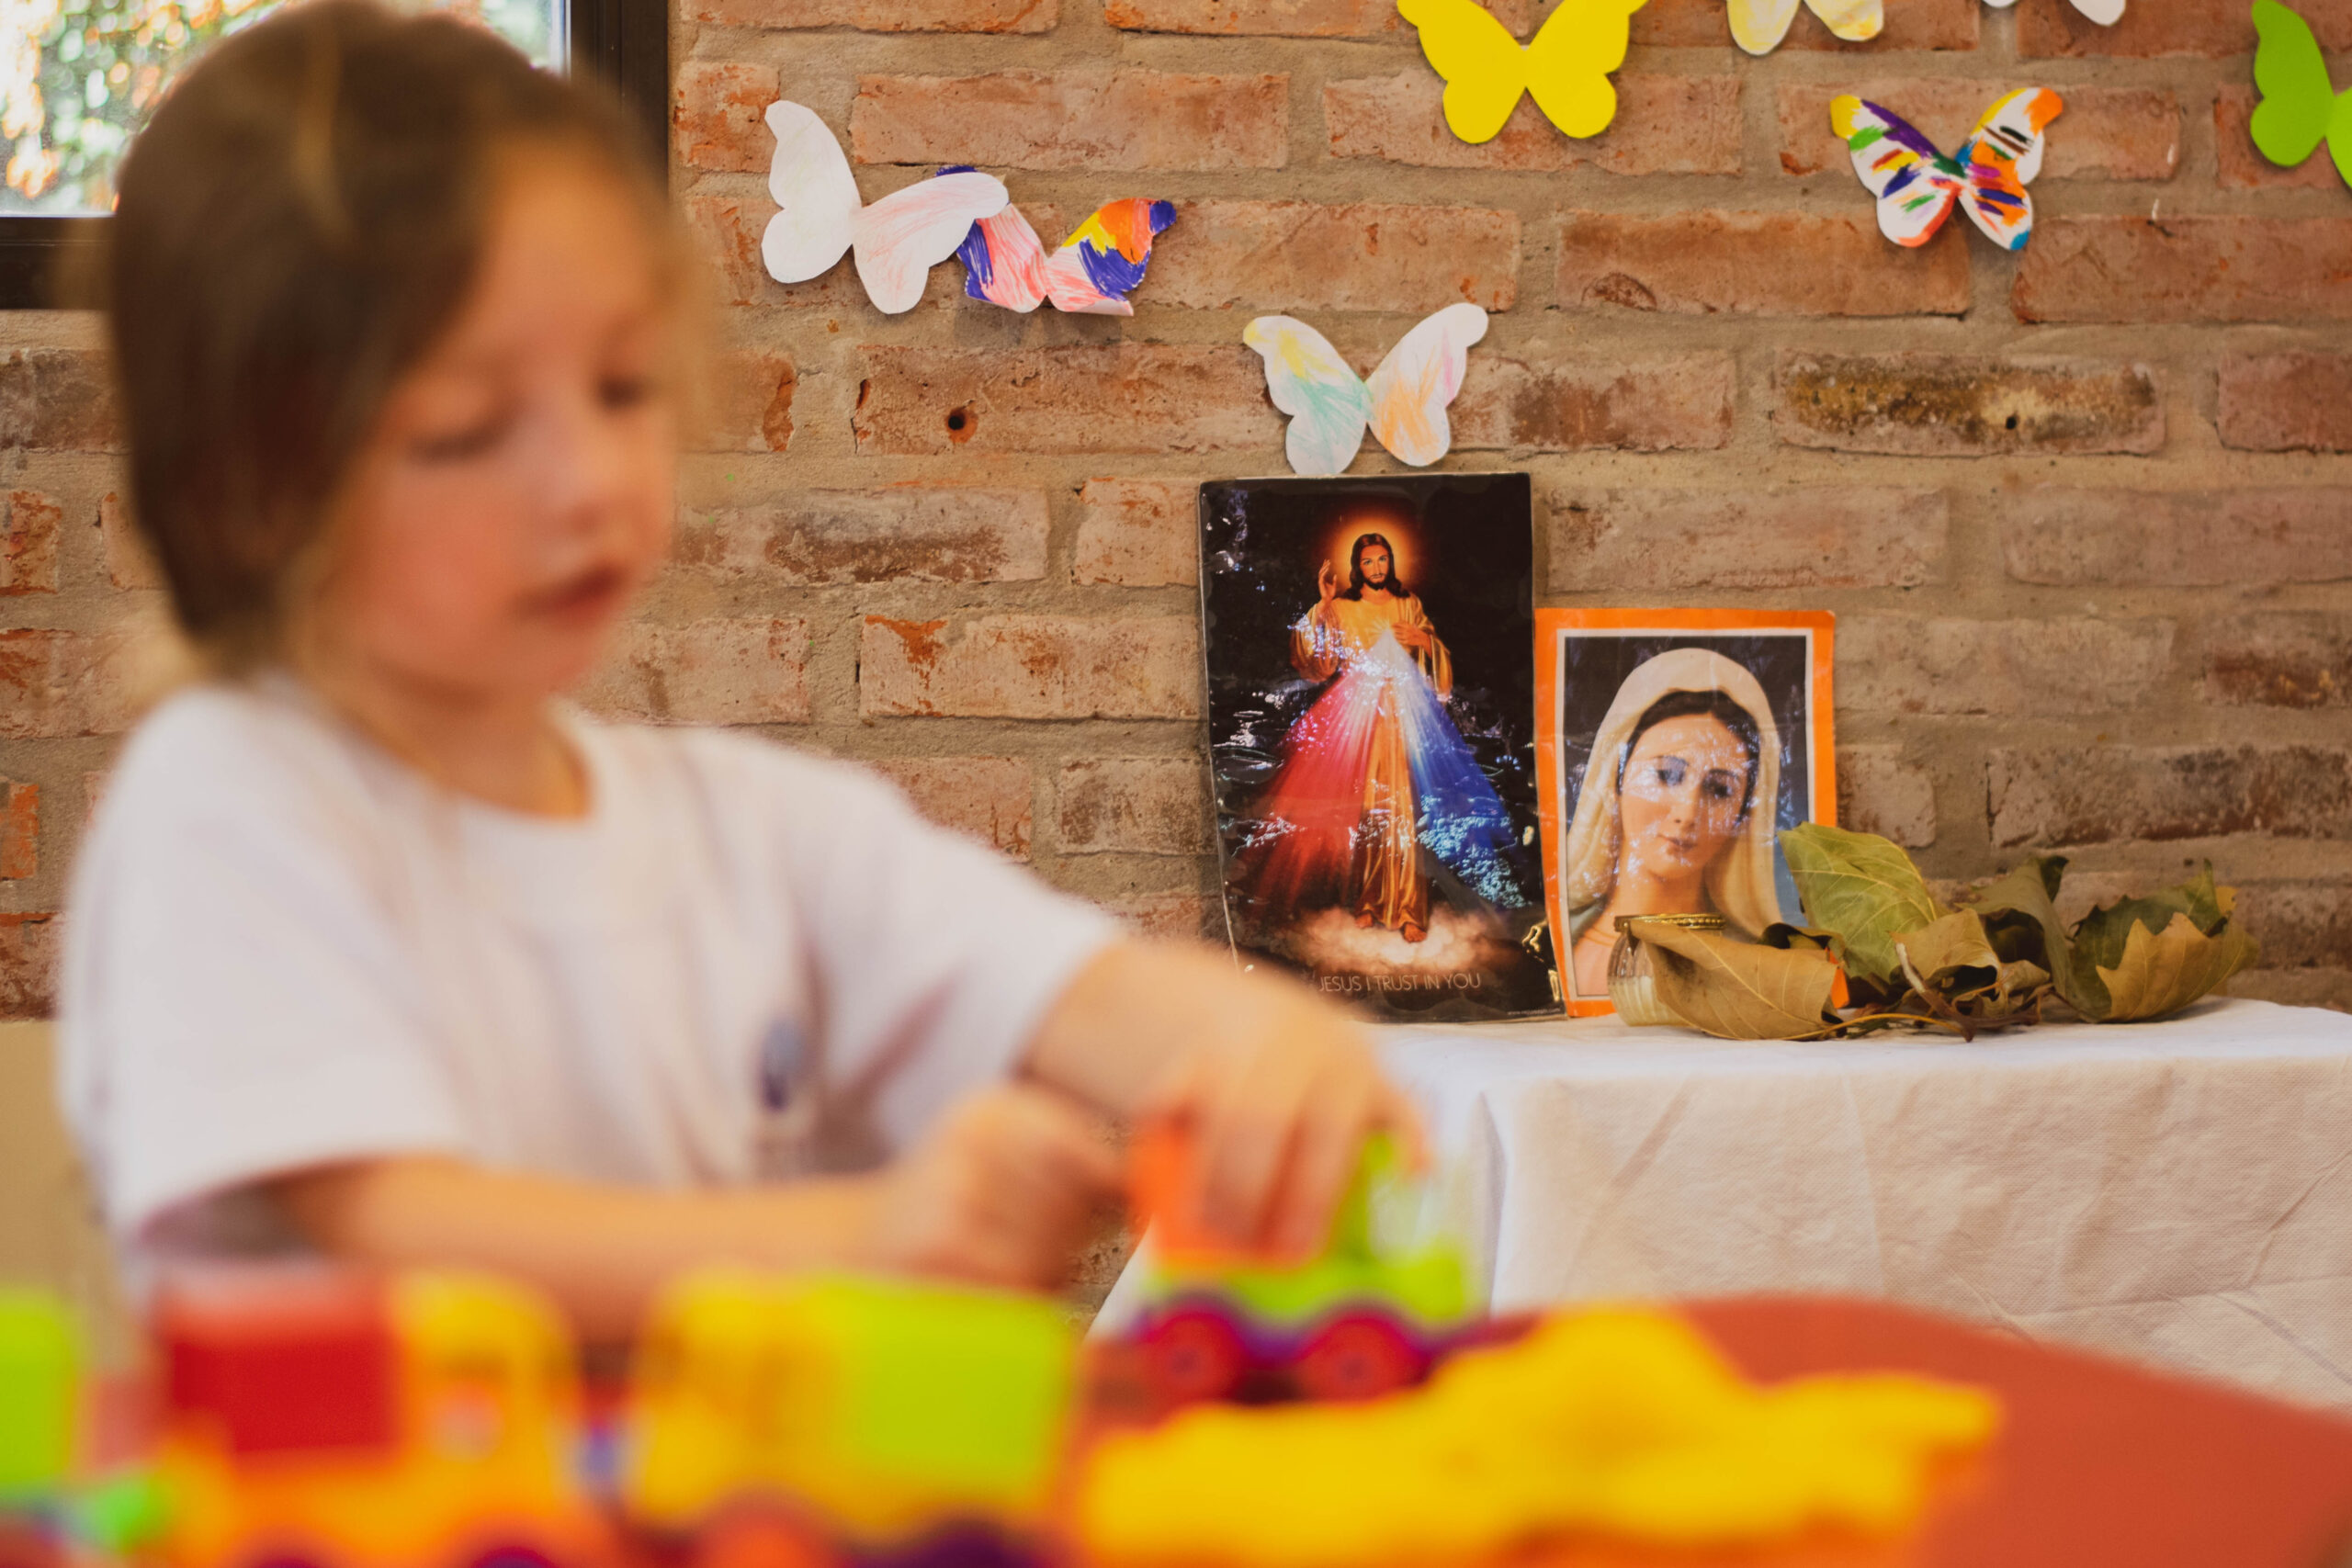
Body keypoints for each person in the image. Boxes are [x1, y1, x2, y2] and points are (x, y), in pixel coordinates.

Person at [57, 2, 1416, 1338]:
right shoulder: (226, 805)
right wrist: (862, 1238)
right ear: (252, 497)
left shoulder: (741, 832)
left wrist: (1253, 1051)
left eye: (622, 389)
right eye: (468, 427)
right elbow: (401, 1237)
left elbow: (1066, 988)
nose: (589, 480)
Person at [1561, 649, 1788, 1000]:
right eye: (1666, 775)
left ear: (1743, 813)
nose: (1688, 812)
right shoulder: (1554, 946)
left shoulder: (1760, 965)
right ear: (1615, 780)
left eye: (1719, 790)